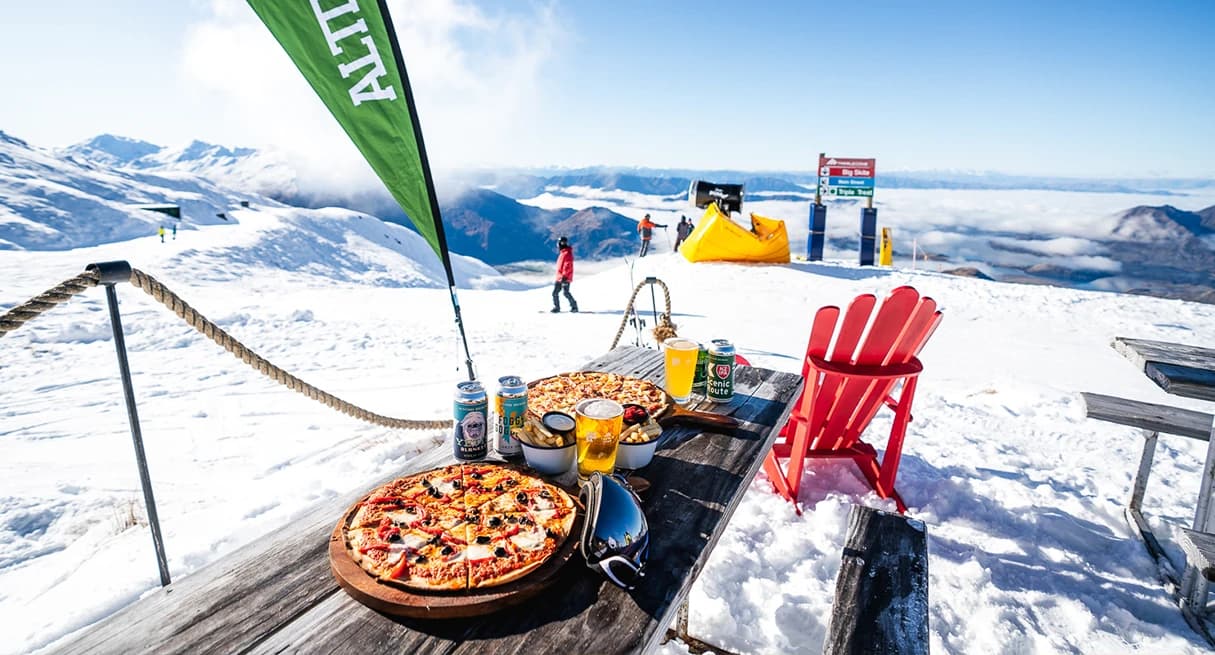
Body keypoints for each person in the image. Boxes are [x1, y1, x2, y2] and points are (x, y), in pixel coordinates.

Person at [552, 236, 578, 313]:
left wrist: (564, 276)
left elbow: (568, 265)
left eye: (562, 243)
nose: (560, 245)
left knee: (566, 292)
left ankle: (574, 307)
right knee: (555, 292)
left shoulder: (567, 253)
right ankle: (557, 307)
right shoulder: (563, 253)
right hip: (559, 277)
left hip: (565, 277)